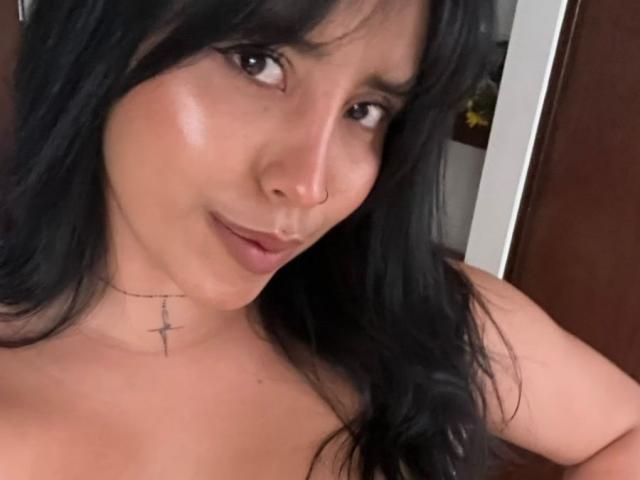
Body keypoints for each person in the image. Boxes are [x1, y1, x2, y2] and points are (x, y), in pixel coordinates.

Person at [0, 0, 638, 479]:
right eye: (257, 62)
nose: (309, 185)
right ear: (102, 36)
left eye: (365, 110)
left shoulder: (420, 316)